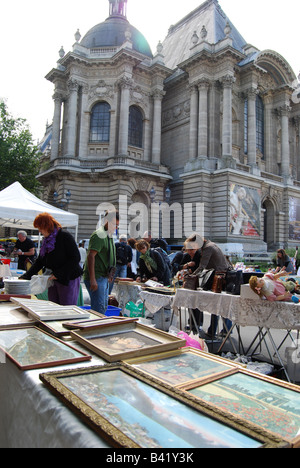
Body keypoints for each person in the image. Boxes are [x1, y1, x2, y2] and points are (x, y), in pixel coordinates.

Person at [20, 213, 82, 306]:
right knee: (53, 307)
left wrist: (58, 274)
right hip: (52, 279)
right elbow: (40, 261)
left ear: (46, 226)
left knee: (66, 309)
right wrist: (26, 276)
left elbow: (75, 258)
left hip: (68, 278)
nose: (40, 231)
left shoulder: (64, 236)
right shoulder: (46, 241)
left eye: (40, 227)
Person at [191, 234, 230, 338]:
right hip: (222, 275)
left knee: (216, 304)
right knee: (221, 303)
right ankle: (225, 329)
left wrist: (192, 275)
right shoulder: (211, 244)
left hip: (218, 277)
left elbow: (202, 266)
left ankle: (213, 331)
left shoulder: (208, 248)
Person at [84, 211, 119, 314]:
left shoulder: (109, 235)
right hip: (97, 277)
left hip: (103, 277)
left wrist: (110, 274)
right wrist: (92, 279)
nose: (115, 227)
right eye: (114, 224)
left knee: (103, 307)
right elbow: (91, 256)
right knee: (98, 310)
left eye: (117, 225)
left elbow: (108, 257)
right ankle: (94, 328)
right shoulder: (100, 235)